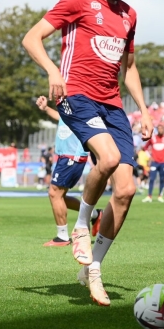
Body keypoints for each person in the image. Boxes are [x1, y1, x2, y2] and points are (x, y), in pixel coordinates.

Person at [22, 0, 153, 306]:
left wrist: (143, 109)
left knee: (125, 192)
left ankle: (91, 268)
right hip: (75, 95)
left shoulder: (129, 16)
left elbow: (130, 68)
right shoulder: (78, 1)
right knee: (107, 159)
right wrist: (51, 71)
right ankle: (81, 227)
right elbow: (31, 38)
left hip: (112, 104)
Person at [36, 96, 103, 246]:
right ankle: (95, 214)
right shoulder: (68, 106)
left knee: (54, 193)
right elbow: (61, 117)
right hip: (65, 155)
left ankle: (62, 237)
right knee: (60, 197)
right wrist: (46, 108)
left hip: (72, 155)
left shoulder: (81, 103)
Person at [141, 124, 164, 203]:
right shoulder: (153, 139)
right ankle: (149, 196)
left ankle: (160, 196)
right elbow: (145, 147)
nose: (160, 130)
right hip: (154, 162)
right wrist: (149, 156)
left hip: (163, 162)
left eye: (162, 129)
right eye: (159, 129)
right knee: (152, 179)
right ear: (157, 130)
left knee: (162, 179)